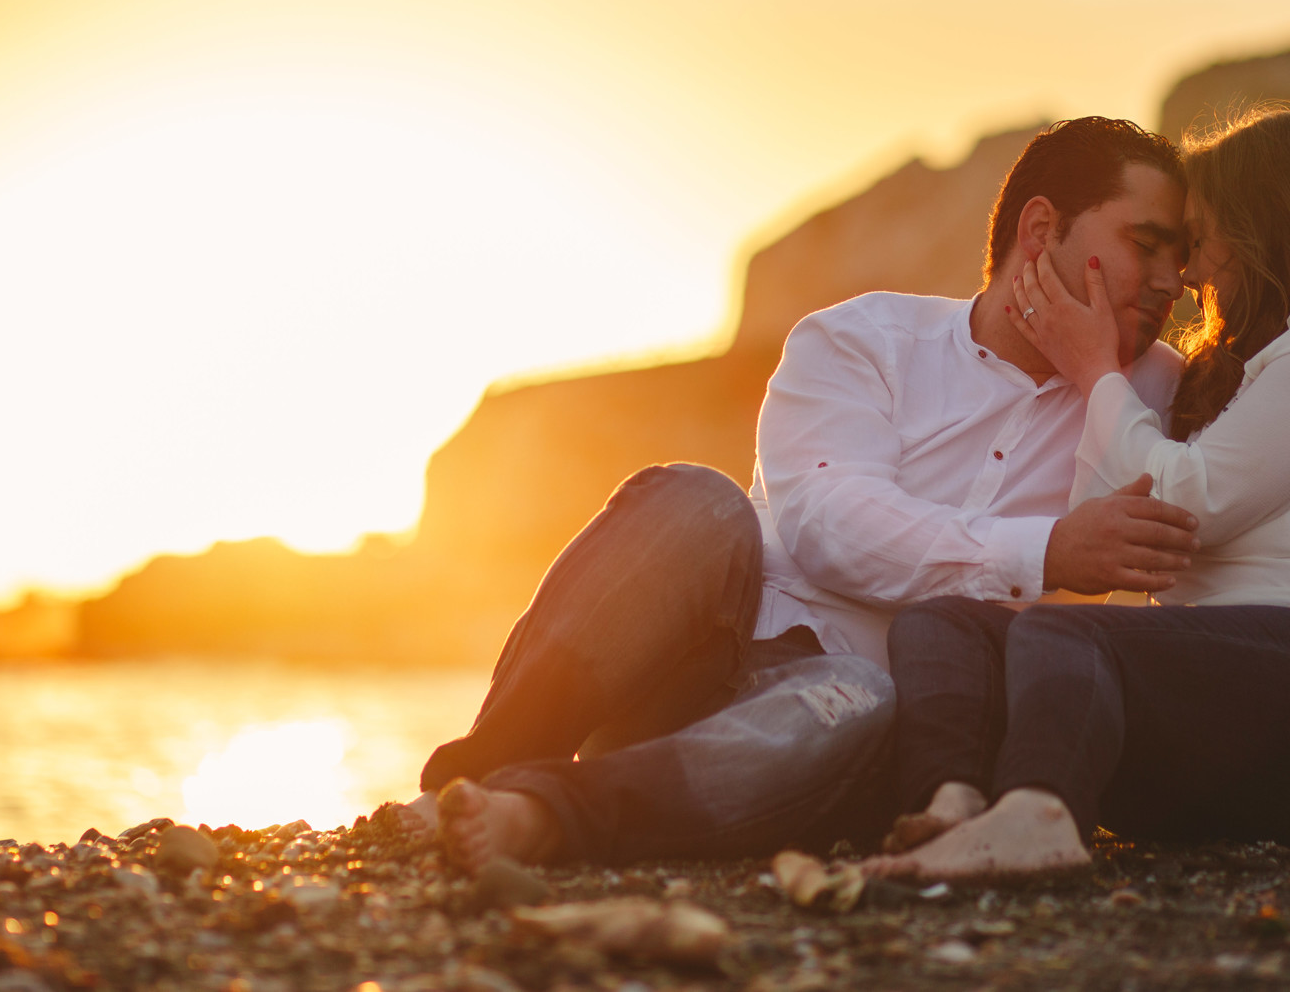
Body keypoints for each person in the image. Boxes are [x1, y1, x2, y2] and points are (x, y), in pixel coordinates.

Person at [406, 117, 1204, 873]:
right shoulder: (863, 339)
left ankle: (543, 816)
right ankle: (469, 781)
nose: (1172, 282)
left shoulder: (1156, 396)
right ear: (1040, 230)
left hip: (834, 730)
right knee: (694, 497)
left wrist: (1098, 376)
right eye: (1144, 245)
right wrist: (1048, 550)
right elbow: (830, 522)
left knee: (860, 691)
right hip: (694, 656)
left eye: (1183, 256)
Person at [869, 105, 1290, 881]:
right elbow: (1107, 531)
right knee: (945, 623)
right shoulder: (1243, 378)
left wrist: (1094, 370)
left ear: (1268, 226)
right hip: (1258, 719)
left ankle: (1037, 816)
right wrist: (1106, 379)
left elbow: (1185, 504)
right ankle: (950, 809)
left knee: (1064, 639)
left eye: (1202, 240)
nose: (1188, 276)